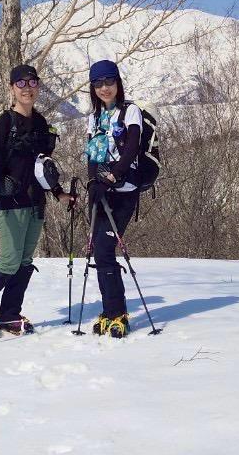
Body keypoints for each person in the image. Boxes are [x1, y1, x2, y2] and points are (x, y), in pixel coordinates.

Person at [0, 64, 73, 337]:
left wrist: (58, 192)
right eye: (21, 84)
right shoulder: (6, 121)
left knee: (25, 260)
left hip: (36, 201)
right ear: (12, 88)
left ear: (38, 86)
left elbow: (45, 165)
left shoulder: (40, 123)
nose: (27, 88)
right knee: (9, 261)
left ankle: (9, 315)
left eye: (32, 83)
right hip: (10, 199)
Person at [84, 59, 143, 338]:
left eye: (109, 82)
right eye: (98, 83)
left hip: (123, 191)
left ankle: (117, 313)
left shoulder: (130, 111)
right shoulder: (94, 117)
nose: (104, 88)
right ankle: (110, 311)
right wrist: (93, 182)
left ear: (118, 82)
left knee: (105, 248)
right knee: (100, 251)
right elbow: (93, 156)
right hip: (101, 192)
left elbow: (131, 149)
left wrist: (109, 179)